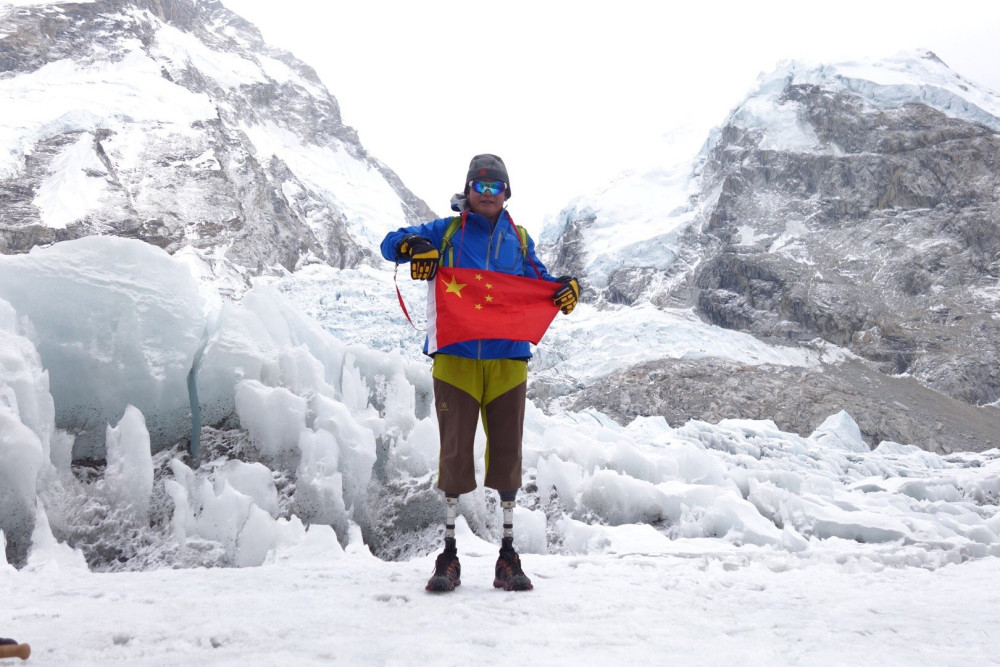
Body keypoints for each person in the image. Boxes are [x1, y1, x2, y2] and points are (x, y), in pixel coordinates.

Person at [381, 154, 580, 592]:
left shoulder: (519, 239)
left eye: (496, 187)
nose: (488, 194)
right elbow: (390, 242)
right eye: (480, 186)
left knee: (507, 454)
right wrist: (412, 247)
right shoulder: (445, 231)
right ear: (468, 190)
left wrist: (564, 289)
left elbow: (543, 282)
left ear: (507, 194)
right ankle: (449, 555)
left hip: (508, 361)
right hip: (455, 358)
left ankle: (507, 556)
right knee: (454, 453)